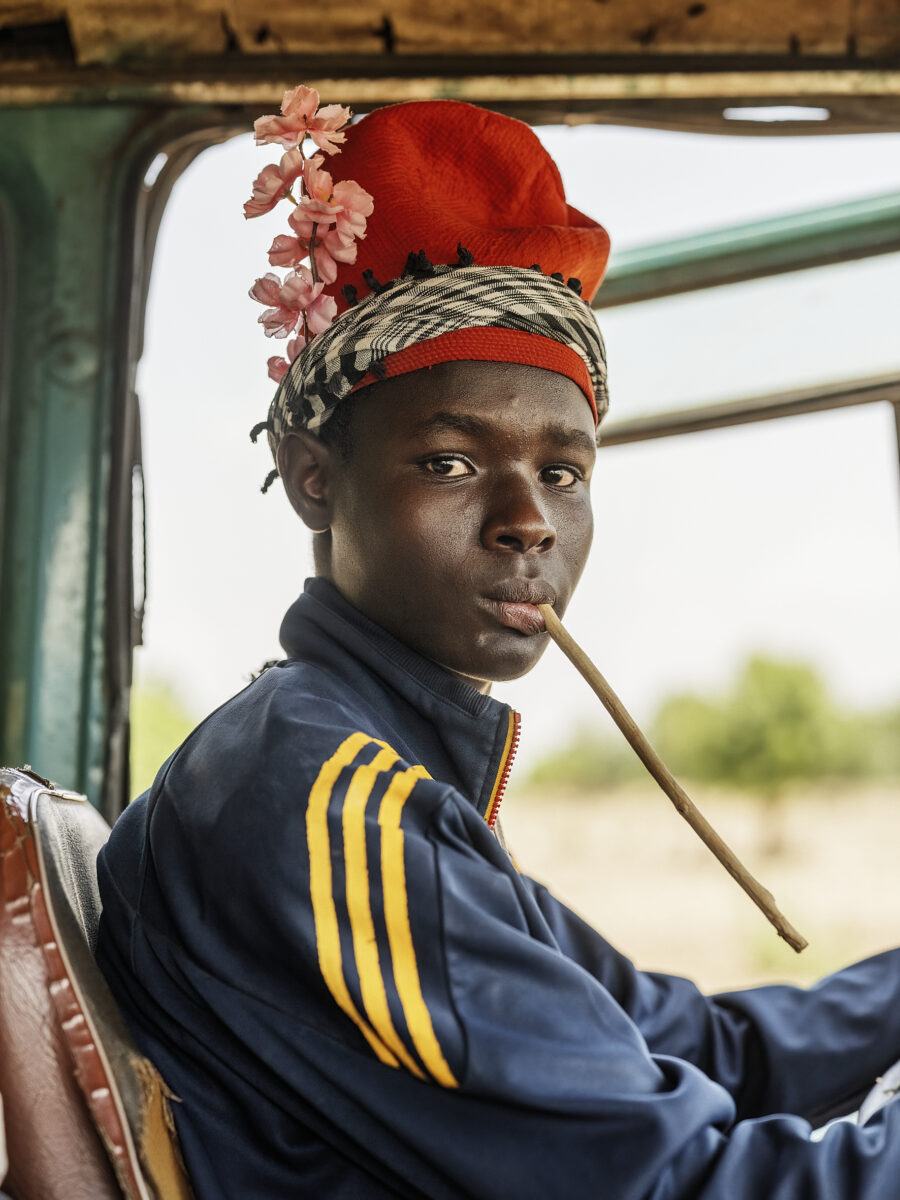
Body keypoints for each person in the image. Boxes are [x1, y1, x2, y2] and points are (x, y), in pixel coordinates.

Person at [96, 96, 900, 1198]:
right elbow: (680, 1186)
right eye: (451, 463)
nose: (530, 522)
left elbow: (713, 1052)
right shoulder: (325, 803)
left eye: (562, 473)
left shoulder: (382, 778)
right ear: (314, 478)